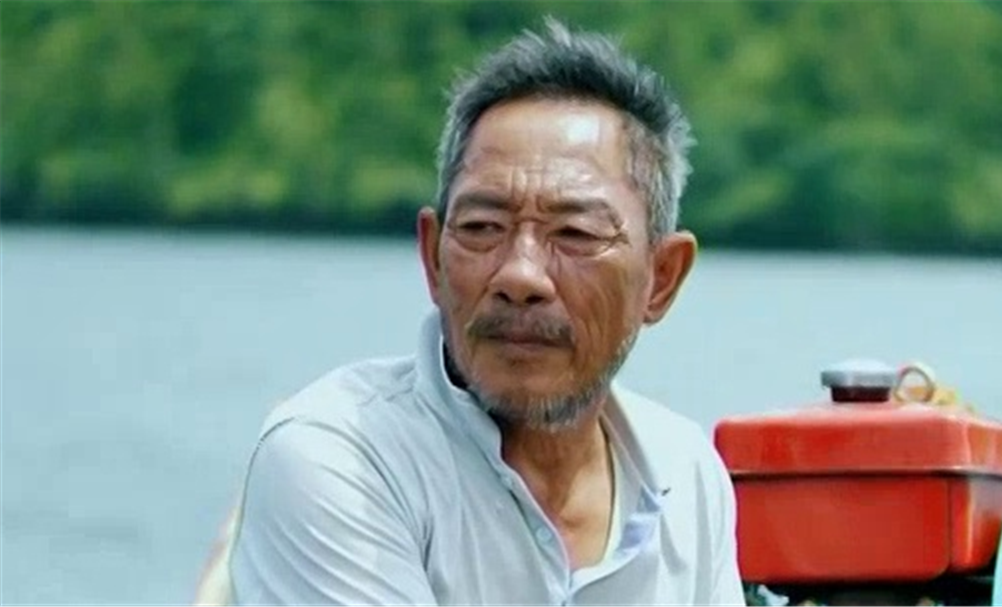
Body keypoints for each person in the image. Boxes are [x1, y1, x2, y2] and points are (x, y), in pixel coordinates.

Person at [214, 17, 745, 606]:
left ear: (661, 278)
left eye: (574, 233)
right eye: (483, 227)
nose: (520, 275)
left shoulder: (684, 474)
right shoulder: (343, 457)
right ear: (432, 260)